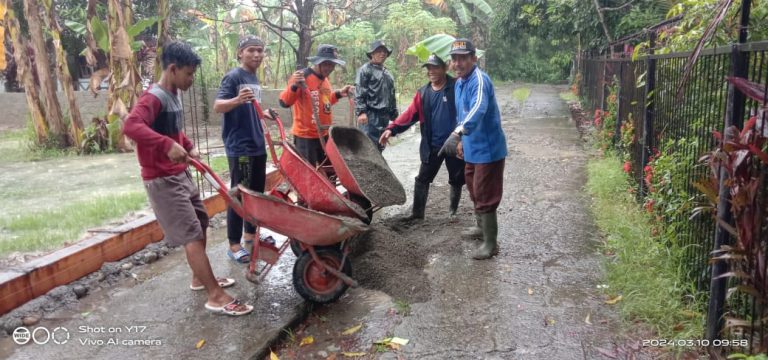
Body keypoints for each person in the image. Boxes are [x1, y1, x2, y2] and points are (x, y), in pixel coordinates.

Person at [124, 41, 253, 316]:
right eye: (189, 74)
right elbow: (131, 126)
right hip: (162, 179)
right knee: (191, 234)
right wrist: (166, 145)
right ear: (173, 69)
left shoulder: (172, 94)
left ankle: (199, 278)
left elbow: (171, 130)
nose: (191, 79)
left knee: (202, 221)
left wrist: (186, 144)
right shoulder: (154, 97)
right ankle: (215, 296)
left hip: (178, 174)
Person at [439, 38, 508, 260]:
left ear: (473, 59)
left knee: (485, 193)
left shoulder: (479, 80)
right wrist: (461, 141)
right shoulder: (460, 83)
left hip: (488, 150)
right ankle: (481, 228)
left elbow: (478, 109)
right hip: (471, 148)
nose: (457, 64)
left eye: (463, 58)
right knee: (473, 187)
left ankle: (491, 243)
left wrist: (457, 133)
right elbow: (463, 115)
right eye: (454, 59)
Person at [379, 54, 464, 221]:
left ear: (445, 68)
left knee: (457, 179)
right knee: (422, 178)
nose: (431, 71)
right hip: (432, 144)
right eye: (429, 68)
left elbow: (466, 111)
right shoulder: (423, 93)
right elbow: (409, 114)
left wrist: (463, 137)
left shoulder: (456, 87)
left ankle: (453, 211)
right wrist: (392, 128)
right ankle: (417, 215)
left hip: (455, 143)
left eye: (435, 67)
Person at [213, 36, 269, 264]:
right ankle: (234, 245)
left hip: (257, 144)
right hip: (241, 147)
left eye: (260, 51)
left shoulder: (253, 77)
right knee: (238, 195)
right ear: (240, 53)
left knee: (255, 194)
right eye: (251, 51)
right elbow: (218, 106)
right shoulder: (234, 76)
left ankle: (250, 235)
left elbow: (251, 108)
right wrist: (236, 99)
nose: (256, 55)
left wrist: (265, 114)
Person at [279, 44, 353, 166]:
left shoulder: (325, 80)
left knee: (330, 170)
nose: (329, 68)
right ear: (318, 62)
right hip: (306, 137)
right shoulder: (302, 76)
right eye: (326, 64)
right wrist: (294, 86)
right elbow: (284, 102)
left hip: (324, 134)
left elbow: (326, 102)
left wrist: (339, 94)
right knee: (309, 174)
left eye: (332, 65)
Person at [355, 40, 397, 151]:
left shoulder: (388, 74)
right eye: (379, 51)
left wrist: (394, 114)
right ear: (372, 54)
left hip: (384, 117)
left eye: (384, 52)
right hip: (370, 116)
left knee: (380, 146)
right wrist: (361, 112)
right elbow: (360, 91)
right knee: (368, 147)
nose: (382, 54)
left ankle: (377, 167)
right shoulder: (365, 70)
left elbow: (391, 95)